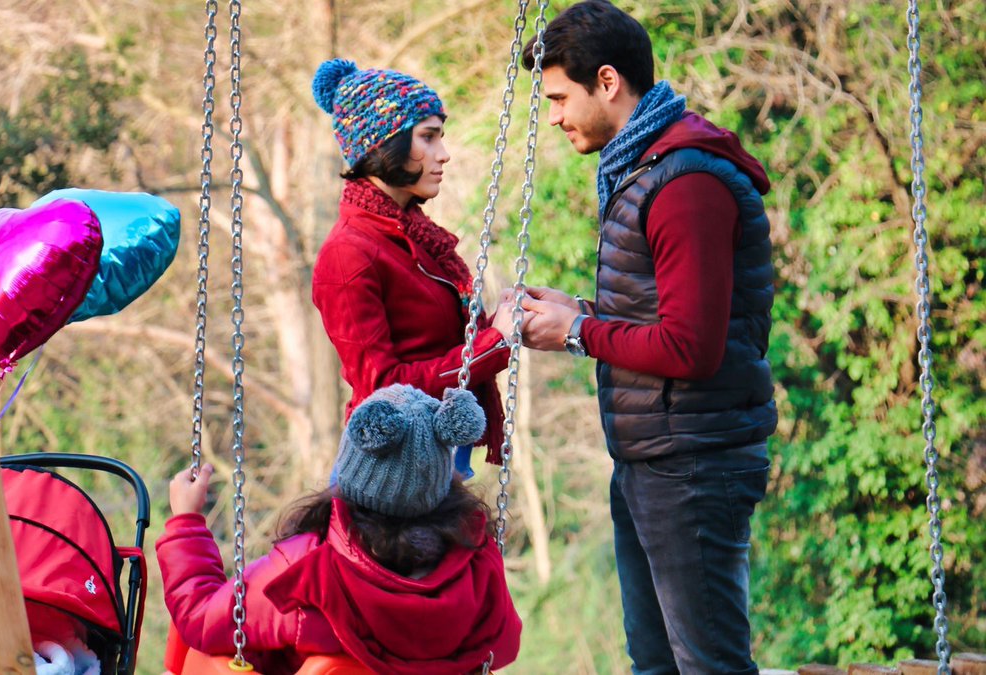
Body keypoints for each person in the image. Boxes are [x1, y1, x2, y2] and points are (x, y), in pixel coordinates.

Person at [514, 2, 777, 673]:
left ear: (607, 82)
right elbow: (662, 313)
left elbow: (691, 348)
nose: (553, 117)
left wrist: (578, 332)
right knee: (654, 666)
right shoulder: (642, 169)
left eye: (558, 97)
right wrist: (580, 309)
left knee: (706, 666)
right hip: (654, 457)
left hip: (692, 462)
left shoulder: (685, 182)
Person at [157, 385, 522, 675]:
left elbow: (201, 617)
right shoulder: (476, 570)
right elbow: (506, 644)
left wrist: (187, 521)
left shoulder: (308, 574)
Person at [309, 58, 517, 479]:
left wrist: (508, 319)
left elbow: (433, 346)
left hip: (434, 458)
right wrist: (497, 343)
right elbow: (384, 389)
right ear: (383, 144)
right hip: (388, 474)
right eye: (428, 138)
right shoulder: (349, 253)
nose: (444, 154)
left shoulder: (414, 237)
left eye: (441, 137)